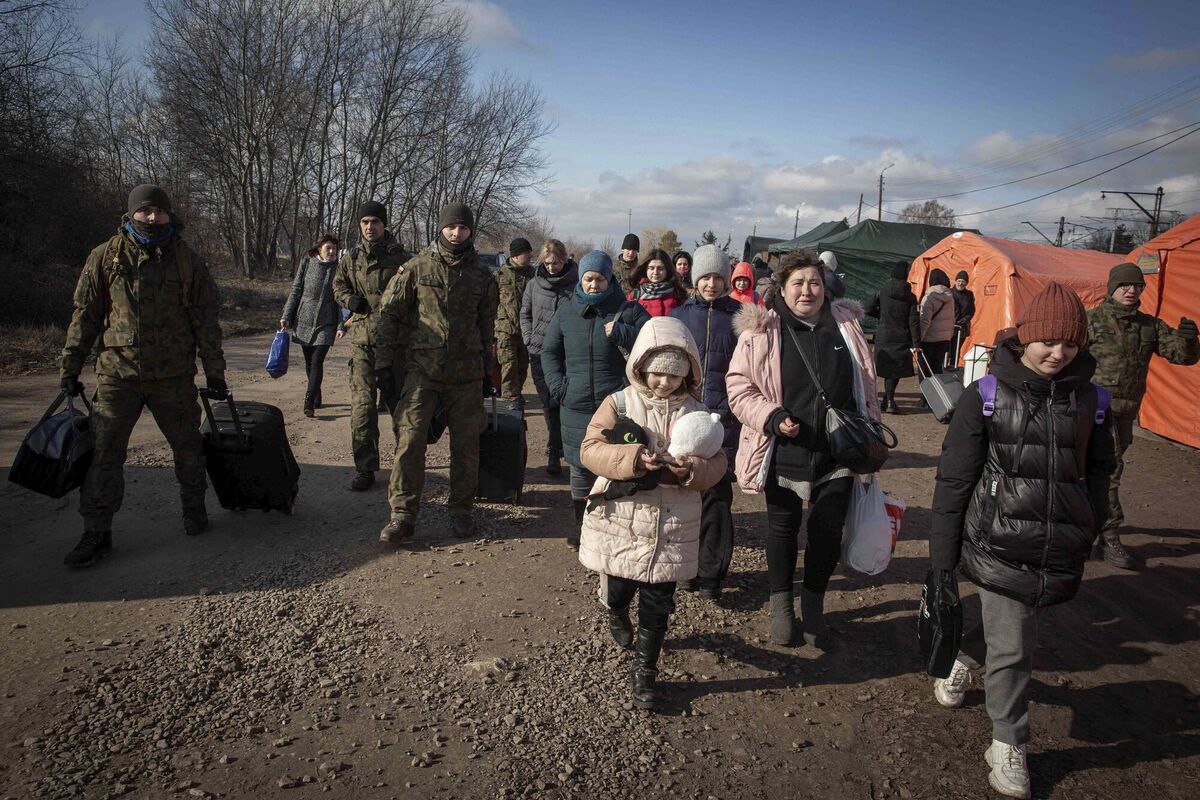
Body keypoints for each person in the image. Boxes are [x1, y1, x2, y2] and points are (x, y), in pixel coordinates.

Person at [929, 283, 1116, 800]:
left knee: (1015, 630)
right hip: (999, 541)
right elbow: (954, 478)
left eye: (1070, 345)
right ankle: (1007, 740)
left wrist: (1089, 522)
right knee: (1016, 645)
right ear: (1025, 338)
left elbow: (1100, 470)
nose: (1058, 354)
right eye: (1048, 342)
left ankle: (963, 662)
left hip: (1057, 546)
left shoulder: (1093, 401)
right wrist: (941, 560)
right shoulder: (986, 395)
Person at [58, 184, 226, 567]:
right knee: (104, 455)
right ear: (131, 213)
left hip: (174, 376)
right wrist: (70, 367)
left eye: (160, 212)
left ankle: (194, 513)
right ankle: (96, 532)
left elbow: (206, 322)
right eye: (145, 211)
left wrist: (215, 372)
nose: (153, 218)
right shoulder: (105, 258)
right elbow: (84, 317)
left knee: (188, 449)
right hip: (119, 376)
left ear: (169, 215)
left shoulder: (187, 261)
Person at [727, 250, 878, 647]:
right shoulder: (762, 331)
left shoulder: (846, 326)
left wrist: (872, 431)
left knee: (827, 530)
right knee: (782, 530)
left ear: (825, 286)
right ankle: (781, 605)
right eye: (797, 283)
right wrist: (773, 417)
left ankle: (813, 602)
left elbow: (866, 384)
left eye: (814, 282)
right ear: (782, 288)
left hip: (837, 450)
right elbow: (739, 388)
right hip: (785, 448)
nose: (806, 291)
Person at [578, 316, 727, 711]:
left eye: (674, 376)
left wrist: (693, 470)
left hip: (674, 520)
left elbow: (719, 463)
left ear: (688, 373)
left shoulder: (698, 410)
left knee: (660, 600)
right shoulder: (620, 403)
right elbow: (589, 449)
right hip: (623, 516)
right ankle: (615, 610)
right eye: (658, 374)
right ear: (641, 366)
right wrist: (632, 458)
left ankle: (645, 670)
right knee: (619, 586)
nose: (664, 383)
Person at [374, 203, 498, 542]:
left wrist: (490, 372)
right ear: (441, 229)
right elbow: (388, 316)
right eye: (450, 227)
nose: (456, 233)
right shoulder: (416, 268)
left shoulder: (483, 277)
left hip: (467, 375)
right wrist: (383, 364)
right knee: (410, 439)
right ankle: (402, 515)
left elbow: (488, 328)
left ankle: (461, 510)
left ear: (471, 231)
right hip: (423, 371)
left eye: (463, 228)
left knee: (466, 444)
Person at [1085, 262, 1198, 569]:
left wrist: (1188, 340)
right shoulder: (1092, 321)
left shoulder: (1149, 326)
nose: (1131, 290)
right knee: (1075, 471)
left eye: (1137, 286)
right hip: (1087, 412)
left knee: (1109, 473)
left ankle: (1107, 539)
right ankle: (1078, 535)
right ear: (1112, 288)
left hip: (1122, 415)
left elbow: (1182, 356)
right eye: (1125, 285)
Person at [541, 250, 650, 547]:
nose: (593, 285)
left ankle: (615, 526)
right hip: (574, 402)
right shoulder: (566, 312)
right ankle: (582, 524)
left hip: (615, 404)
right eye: (588, 279)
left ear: (609, 279)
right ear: (581, 279)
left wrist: (623, 333)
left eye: (600, 279)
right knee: (579, 465)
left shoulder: (629, 310)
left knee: (615, 463)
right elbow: (549, 352)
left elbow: (653, 341)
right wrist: (558, 387)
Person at [669, 244, 740, 599]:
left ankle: (712, 573)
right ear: (695, 279)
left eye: (718, 277)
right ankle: (685, 567)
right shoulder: (680, 317)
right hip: (685, 419)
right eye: (705, 277)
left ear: (726, 279)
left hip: (725, 419)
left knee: (717, 497)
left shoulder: (740, 317)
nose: (712, 284)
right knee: (683, 496)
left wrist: (734, 408)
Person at [332, 200, 411, 491]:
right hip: (362, 344)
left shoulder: (402, 258)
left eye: (375, 222)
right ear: (359, 225)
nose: (369, 227)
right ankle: (365, 467)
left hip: (394, 347)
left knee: (399, 409)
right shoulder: (349, 259)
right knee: (362, 409)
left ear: (384, 224)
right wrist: (348, 300)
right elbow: (338, 287)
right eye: (365, 222)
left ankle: (406, 465)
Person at [520, 239, 578, 476]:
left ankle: (562, 448)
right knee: (548, 402)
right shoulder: (534, 284)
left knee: (565, 400)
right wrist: (528, 338)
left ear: (565, 259)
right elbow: (525, 313)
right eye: (548, 262)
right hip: (539, 351)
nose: (552, 267)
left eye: (556, 262)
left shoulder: (576, 285)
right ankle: (554, 449)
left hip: (567, 353)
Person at [281, 234, 341, 417]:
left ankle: (309, 400)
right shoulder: (307, 262)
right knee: (309, 362)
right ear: (319, 249)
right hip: (304, 318)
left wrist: (341, 325)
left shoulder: (340, 268)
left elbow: (341, 298)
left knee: (317, 361)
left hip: (327, 321)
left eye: (334, 249)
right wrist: (286, 315)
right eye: (328, 248)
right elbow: (296, 289)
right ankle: (316, 392)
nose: (332, 252)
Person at [865, 261, 921, 414]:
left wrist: (881, 316)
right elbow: (913, 321)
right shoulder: (910, 297)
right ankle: (889, 400)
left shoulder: (882, 291)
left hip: (884, 334)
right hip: (902, 336)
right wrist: (916, 343)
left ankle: (887, 401)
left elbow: (867, 308)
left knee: (887, 369)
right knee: (895, 370)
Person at [495, 237, 535, 407]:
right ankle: (509, 399)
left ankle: (516, 394)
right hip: (505, 329)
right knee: (509, 364)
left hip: (526, 328)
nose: (529, 257)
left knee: (522, 364)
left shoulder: (533, 275)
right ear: (516, 255)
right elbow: (490, 302)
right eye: (526, 253)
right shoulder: (500, 275)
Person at [628, 248, 688, 317]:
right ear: (645, 269)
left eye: (660, 268)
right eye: (651, 268)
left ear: (667, 270)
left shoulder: (678, 294)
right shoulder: (635, 295)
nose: (655, 272)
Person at [919, 268, 956, 374]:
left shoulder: (928, 297)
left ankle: (926, 390)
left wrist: (918, 339)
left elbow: (925, 321)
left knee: (925, 370)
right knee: (937, 368)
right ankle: (938, 390)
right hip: (944, 340)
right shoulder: (950, 297)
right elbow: (952, 319)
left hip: (929, 340)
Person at [951, 269, 975, 346]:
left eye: (963, 281)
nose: (960, 283)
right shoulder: (949, 292)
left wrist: (964, 320)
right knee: (947, 350)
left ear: (966, 283)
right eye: (959, 281)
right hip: (949, 326)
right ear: (955, 281)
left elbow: (971, 310)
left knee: (957, 349)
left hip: (962, 328)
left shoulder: (969, 295)